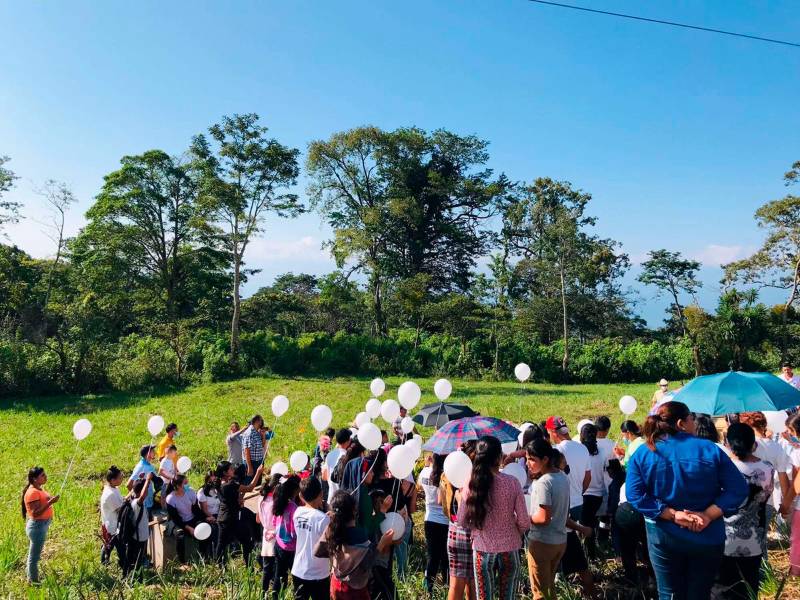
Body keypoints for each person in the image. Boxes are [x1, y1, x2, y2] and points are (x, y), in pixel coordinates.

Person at [626, 401, 748, 600]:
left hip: (664, 534)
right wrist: (708, 514)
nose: (695, 422)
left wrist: (673, 515)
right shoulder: (708, 449)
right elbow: (738, 489)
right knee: (700, 593)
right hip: (707, 535)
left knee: (669, 593)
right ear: (682, 423)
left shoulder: (645, 452)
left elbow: (635, 495)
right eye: (692, 419)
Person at [458, 436, 529, 600]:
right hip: (510, 548)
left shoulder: (471, 483)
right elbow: (524, 522)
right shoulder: (512, 482)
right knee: (508, 595)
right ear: (499, 457)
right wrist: (514, 533)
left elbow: (462, 520)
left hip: (482, 549)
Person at [713, 423, 774, 600]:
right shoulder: (767, 468)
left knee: (722, 587)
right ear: (753, 443)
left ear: (727, 443)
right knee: (749, 584)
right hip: (755, 537)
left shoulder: (721, 469)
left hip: (724, 538)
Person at [314, 490, 396, 600]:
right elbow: (366, 564)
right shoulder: (360, 536)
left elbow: (318, 551)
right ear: (354, 511)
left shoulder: (333, 531)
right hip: (355, 590)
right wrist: (382, 544)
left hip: (335, 584)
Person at [524, 438, 570, 600]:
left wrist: (523, 518)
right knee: (549, 588)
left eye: (532, 459)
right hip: (559, 541)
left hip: (542, 542)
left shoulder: (544, 482)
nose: (528, 463)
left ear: (545, 459)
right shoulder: (563, 477)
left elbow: (543, 518)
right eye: (526, 458)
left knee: (540, 593)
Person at [442, 440, 477, 600]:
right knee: (468, 583)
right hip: (469, 532)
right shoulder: (473, 479)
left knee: (463, 582)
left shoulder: (452, 475)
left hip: (455, 530)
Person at [216, 459, 264, 564]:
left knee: (225, 545)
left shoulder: (220, 483)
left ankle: (244, 565)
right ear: (225, 472)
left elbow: (232, 498)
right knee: (223, 545)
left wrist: (238, 500)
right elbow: (250, 488)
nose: (233, 469)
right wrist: (258, 472)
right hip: (228, 520)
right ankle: (245, 565)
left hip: (226, 518)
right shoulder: (229, 485)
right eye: (230, 468)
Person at [291, 476, 331, 600]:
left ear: (301, 497)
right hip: (319, 574)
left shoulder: (297, 512)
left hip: (298, 570)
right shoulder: (323, 519)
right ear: (321, 494)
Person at [418, 453, 449, 593]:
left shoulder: (425, 472)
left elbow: (418, 487)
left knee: (432, 555)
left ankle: (428, 587)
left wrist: (426, 465)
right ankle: (447, 585)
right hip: (445, 521)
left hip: (429, 519)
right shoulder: (446, 476)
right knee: (445, 556)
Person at [22, 466, 59, 583]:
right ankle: (33, 581)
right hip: (37, 527)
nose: (45, 476)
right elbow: (35, 513)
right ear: (34, 479)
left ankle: (31, 577)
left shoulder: (38, 489)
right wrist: (50, 502)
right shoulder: (32, 493)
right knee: (34, 557)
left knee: (34, 555)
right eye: (42, 475)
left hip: (40, 526)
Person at [579, 423, 606, 560]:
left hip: (584, 493)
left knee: (584, 527)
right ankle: (592, 554)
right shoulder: (602, 451)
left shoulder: (580, 452)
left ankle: (588, 556)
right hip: (598, 495)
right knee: (591, 523)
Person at [272, 474, 301, 600]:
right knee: (296, 578)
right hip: (291, 548)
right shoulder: (294, 508)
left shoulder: (278, 502)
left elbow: (274, 523)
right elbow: (295, 532)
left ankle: (275, 597)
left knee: (279, 575)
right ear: (295, 491)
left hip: (279, 545)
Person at [123, 473, 154, 576]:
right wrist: (148, 480)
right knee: (138, 559)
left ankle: (126, 575)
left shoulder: (131, 497)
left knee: (130, 557)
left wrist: (142, 480)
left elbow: (136, 490)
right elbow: (142, 496)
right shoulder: (137, 503)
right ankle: (137, 578)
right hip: (140, 537)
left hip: (135, 535)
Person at [257, 474, 284, 597]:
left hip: (266, 534)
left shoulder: (261, 499)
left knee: (267, 569)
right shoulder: (277, 502)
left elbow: (258, 519)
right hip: (276, 536)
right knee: (278, 570)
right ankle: (275, 595)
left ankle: (263, 593)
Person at [166, 474, 202, 560]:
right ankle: (182, 561)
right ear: (178, 486)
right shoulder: (171, 499)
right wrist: (189, 528)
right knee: (180, 535)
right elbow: (176, 519)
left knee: (203, 528)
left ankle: (203, 555)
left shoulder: (190, 493)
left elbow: (196, 509)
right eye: (185, 483)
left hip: (192, 519)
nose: (187, 485)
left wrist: (203, 520)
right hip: (179, 522)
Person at [100, 465, 125, 567]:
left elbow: (121, 501)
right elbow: (120, 510)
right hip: (112, 526)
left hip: (114, 524)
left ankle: (119, 562)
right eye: (120, 477)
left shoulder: (114, 488)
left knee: (112, 545)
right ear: (113, 480)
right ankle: (108, 562)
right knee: (112, 546)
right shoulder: (109, 494)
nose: (122, 478)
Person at [324, 428, 353, 505]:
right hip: (343, 499)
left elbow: (325, 476)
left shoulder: (329, 454)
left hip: (331, 498)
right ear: (348, 441)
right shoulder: (347, 457)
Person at [128, 445, 158, 514]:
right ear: (148, 454)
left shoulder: (148, 465)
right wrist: (138, 498)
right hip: (144, 504)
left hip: (149, 500)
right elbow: (129, 484)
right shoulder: (141, 467)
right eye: (153, 451)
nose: (155, 452)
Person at [242, 415, 268, 485]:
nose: (262, 423)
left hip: (259, 461)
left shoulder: (257, 432)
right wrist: (250, 467)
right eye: (261, 421)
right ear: (257, 421)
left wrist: (263, 435)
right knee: (250, 484)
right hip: (252, 463)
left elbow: (262, 445)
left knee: (257, 483)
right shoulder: (249, 433)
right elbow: (246, 451)